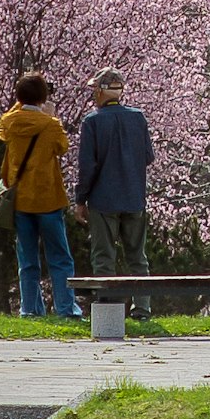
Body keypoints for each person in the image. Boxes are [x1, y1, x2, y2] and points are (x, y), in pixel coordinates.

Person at [0, 72, 78, 320]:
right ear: (43, 97)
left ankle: (29, 309)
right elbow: (62, 147)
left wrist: (22, 103)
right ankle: (65, 308)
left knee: (27, 259)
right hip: (48, 199)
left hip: (20, 200)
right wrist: (49, 115)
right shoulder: (50, 124)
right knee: (60, 257)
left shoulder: (10, 123)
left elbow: (1, 129)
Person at [76, 69, 153, 278]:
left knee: (103, 259)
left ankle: (108, 308)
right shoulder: (138, 118)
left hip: (103, 200)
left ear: (100, 92)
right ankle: (142, 309)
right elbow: (148, 157)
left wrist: (80, 200)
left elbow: (87, 167)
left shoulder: (92, 122)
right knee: (138, 259)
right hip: (134, 197)